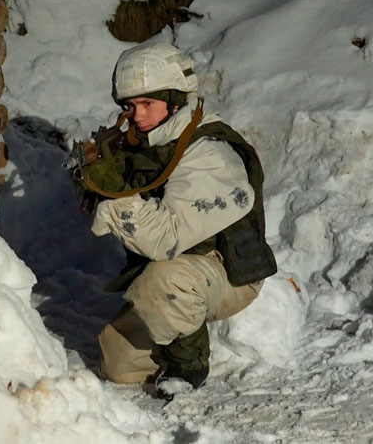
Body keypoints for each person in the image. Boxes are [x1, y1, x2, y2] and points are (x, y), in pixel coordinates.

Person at [85, 43, 277, 393]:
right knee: (117, 362)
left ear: (175, 100)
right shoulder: (151, 143)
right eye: (130, 106)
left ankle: (188, 364)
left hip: (227, 274)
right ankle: (172, 321)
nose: (137, 115)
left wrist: (119, 197)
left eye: (147, 104)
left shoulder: (209, 153)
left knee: (162, 279)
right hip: (185, 269)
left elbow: (163, 240)